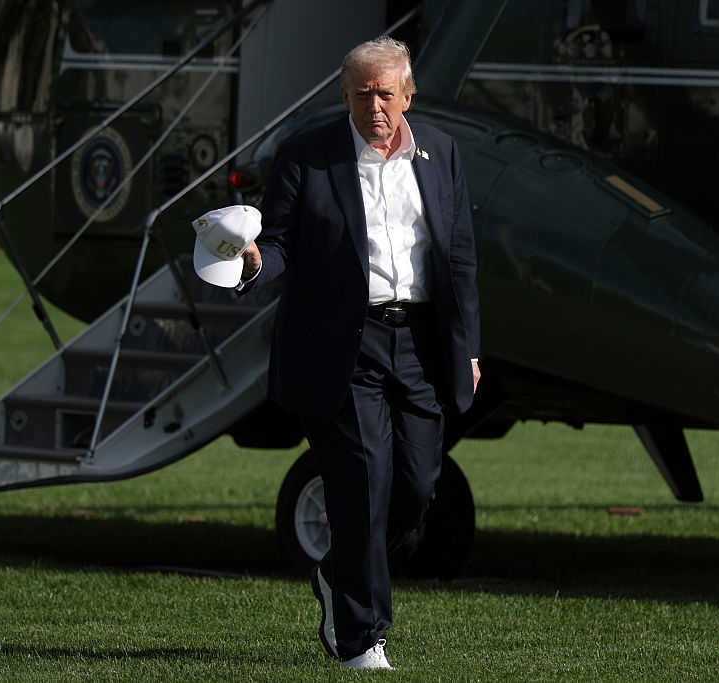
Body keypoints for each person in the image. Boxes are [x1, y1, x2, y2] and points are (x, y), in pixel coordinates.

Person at [235, 36, 480, 670]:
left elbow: (458, 260)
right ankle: (363, 639)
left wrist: (469, 347)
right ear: (343, 95)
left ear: (408, 93)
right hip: (343, 344)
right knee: (363, 484)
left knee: (419, 487)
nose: (375, 107)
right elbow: (281, 244)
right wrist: (256, 262)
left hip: (421, 344)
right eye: (362, 94)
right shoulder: (306, 156)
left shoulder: (442, 154)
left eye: (386, 94)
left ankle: (336, 571)